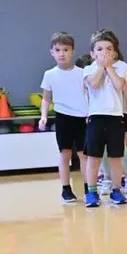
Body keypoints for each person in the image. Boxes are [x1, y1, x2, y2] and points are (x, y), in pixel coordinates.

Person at [38, 32, 88, 203]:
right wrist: (43, 116)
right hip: (63, 118)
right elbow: (46, 98)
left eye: (66, 50)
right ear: (52, 52)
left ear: (72, 51)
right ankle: (66, 189)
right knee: (65, 154)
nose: (62, 53)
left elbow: (89, 95)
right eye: (58, 50)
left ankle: (89, 188)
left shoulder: (82, 73)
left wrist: (90, 113)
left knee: (84, 155)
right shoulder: (49, 74)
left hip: (82, 118)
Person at [82, 30, 127, 207]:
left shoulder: (121, 67)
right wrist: (101, 67)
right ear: (93, 53)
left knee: (116, 157)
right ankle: (91, 192)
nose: (104, 52)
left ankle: (116, 190)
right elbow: (94, 84)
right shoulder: (88, 69)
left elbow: (119, 85)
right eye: (100, 49)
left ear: (114, 52)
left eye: (109, 49)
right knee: (94, 157)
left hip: (115, 117)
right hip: (96, 117)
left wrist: (109, 67)